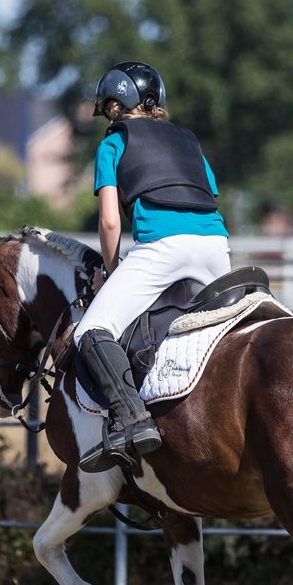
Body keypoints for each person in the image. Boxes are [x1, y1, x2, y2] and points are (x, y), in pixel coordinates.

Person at [74, 61, 231, 473]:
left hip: (162, 247)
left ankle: (132, 421)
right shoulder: (188, 139)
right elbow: (208, 195)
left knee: (91, 330)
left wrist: (109, 270)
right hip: (216, 244)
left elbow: (110, 221)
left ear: (114, 106)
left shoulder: (113, 143)